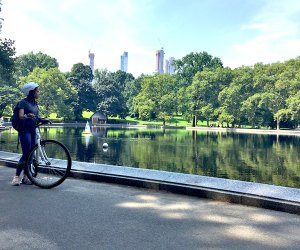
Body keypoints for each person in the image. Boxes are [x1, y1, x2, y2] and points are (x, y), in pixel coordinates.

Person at [11, 82, 45, 186]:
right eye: (37, 91)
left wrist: (43, 120)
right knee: (26, 153)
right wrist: (27, 115)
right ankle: (16, 177)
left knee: (31, 154)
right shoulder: (23, 103)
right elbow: (21, 116)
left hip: (32, 130)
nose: (39, 92)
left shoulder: (35, 104)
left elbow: (35, 117)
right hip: (24, 130)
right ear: (31, 92)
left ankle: (26, 176)